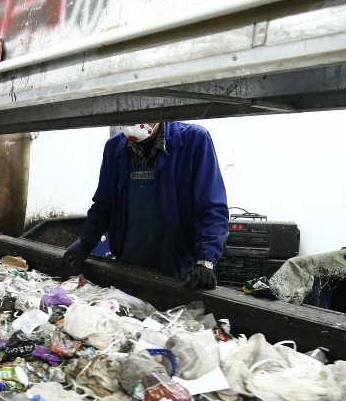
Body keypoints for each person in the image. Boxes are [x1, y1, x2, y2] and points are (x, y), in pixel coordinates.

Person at [63, 121, 229, 289]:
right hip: (129, 268)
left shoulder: (194, 140)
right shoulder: (113, 148)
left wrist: (205, 261)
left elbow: (212, 209)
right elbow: (103, 206)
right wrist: (84, 246)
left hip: (178, 273)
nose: (133, 121)